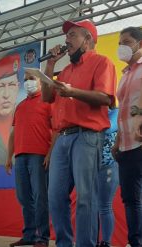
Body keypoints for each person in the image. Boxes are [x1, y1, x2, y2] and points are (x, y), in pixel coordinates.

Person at [41, 20, 116, 246]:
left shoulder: (102, 62)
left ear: (88, 39)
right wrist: (50, 65)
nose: (67, 40)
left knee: (85, 198)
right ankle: (64, 243)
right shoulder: (64, 71)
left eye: (72, 35)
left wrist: (74, 92)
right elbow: (46, 98)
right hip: (62, 139)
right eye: (67, 36)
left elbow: (106, 99)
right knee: (54, 197)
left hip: (87, 136)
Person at [5, 74, 52, 247]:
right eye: (25, 80)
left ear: (40, 81)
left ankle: (42, 238)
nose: (28, 82)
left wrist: (50, 154)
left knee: (40, 197)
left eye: (31, 78)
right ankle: (30, 235)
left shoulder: (48, 102)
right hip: (20, 157)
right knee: (24, 198)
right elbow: (13, 133)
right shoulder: (20, 106)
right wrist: (9, 156)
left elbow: (55, 130)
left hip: (39, 156)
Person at [112, 26, 142, 247]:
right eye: (120, 42)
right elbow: (122, 111)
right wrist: (116, 141)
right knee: (130, 200)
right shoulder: (123, 76)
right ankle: (135, 242)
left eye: (127, 42)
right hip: (125, 147)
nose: (122, 46)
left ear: (140, 45)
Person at [97, 108, 119, 247]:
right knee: (91, 207)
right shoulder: (95, 112)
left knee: (105, 206)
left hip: (108, 164)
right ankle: (92, 239)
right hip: (90, 166)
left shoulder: (116, 112)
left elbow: (108, 128)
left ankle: (106, 242)